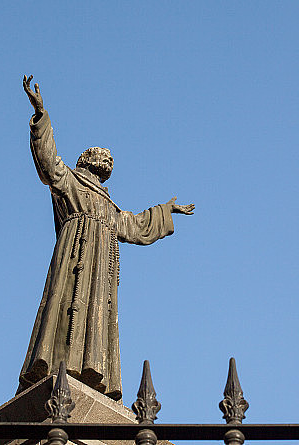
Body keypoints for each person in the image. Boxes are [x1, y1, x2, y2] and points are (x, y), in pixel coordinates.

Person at [18, 75, 194, 400]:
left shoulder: (110, 207)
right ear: (86, 160)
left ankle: (93, 374)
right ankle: (56, 370)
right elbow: (48, 162)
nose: (107, 159)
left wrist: (167, 211)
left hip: (102, 271)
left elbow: (135, 225)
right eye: (101, 155)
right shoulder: (69, 182)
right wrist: (41, 116)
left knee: (99, 313)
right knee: (67, 305)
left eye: (110, 158)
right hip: (76, 258)